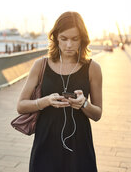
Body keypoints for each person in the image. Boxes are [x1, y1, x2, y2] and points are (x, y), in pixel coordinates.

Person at [17, 11, 102, 172]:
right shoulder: (40, 65)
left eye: (75, 39)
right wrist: (46, 101)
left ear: (82, 39)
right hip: (45, 145)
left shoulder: (93, 68)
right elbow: (21, 106)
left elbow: (97, 114)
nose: (69, 45)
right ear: (55, 37)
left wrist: (84, 104)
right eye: (64, 39)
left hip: (80, 148)